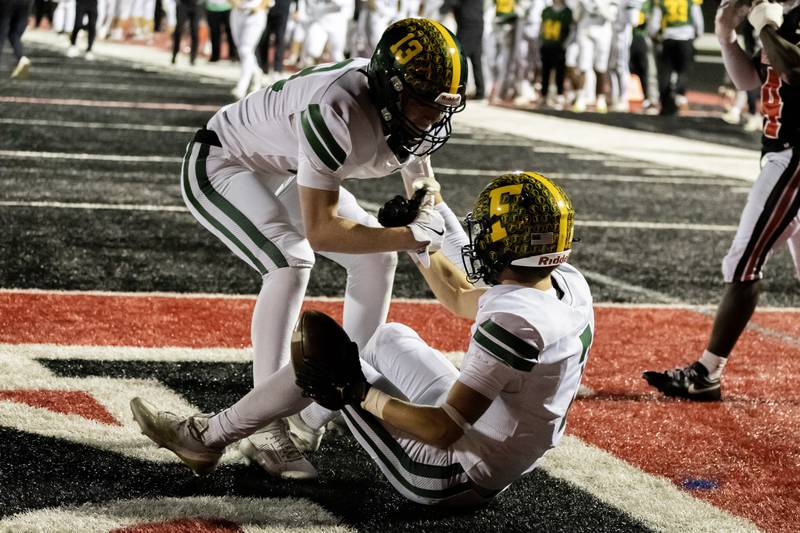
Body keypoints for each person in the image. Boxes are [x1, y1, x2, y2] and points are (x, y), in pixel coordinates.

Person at [131, 18, 468, 480]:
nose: (431, 118)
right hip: (224, 162)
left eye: (440, 107)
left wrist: (424, 209)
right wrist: (411, 236)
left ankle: (317, 411)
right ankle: (264, 427)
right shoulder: (337, 107)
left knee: (376, 256)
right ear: (391, 89)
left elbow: (422, 182)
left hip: (287, 166)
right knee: (291, 262)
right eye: (423, 105)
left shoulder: (400, 108)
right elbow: (323, 231)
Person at [130, 170, 594, 505]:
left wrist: (359, 392)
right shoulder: (563, 281)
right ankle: (305, 426)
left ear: (510, 246)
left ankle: (209, 436)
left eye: (487, 233)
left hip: (450, 470)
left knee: (324, 360)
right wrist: (420, 228)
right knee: (387, 337)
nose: (476, 240)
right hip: (502, 438)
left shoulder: (514, 322)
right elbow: (457, 294)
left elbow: (444, 428)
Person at [644, 0, 800, 401]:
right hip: (778, 148)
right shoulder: (777, 13)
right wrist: (726, 34)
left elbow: (796, 70)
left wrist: (765, 26)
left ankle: (706, 372)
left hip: (794, 153)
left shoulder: (782, 16)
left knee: (744, 262)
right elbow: (751, 79)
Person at [647, 0, 703, 115]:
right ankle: (679, 95)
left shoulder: (662, 2)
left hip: (669, 38)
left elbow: (654, 25)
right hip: (686, 38)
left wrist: (654, 36)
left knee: (666, 72)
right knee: (683, 70)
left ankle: (666, 104)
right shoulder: (691, 1)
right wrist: (697, 34)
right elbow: (698, 21)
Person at [539, 0, 573, 107]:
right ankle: (544, 95)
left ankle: (559, 94)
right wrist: (540, 40)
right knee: (545, 71)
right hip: (547, 44)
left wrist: (565, 44)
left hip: (559, 46)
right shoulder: (546, 10)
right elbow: (542, 27)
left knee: (559, 72)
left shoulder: (567, 12)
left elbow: (571, 30)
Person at [1, 0, 33, 78]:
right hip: (25, 4)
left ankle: (21, 58)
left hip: (5, 4)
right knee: (14, 34)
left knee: (2, 34)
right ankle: (22, 57)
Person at [171, 0, 202, 65]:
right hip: (183, 4)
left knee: (195, 32)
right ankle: (174, 55)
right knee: (178, 30)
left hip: (196, 5)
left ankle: (193, 58)